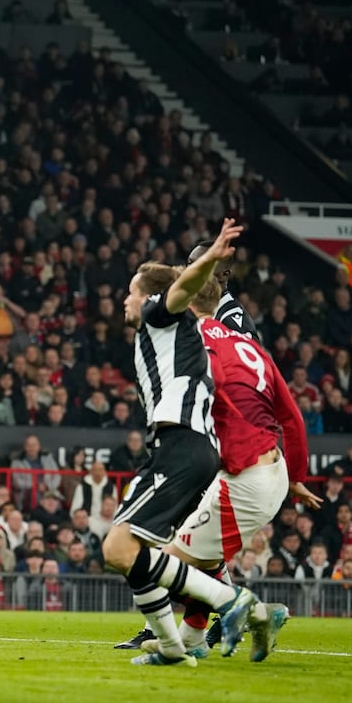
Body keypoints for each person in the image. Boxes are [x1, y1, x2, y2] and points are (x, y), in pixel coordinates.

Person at [127, 265, 315, 663]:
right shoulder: (250, 346)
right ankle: (192, 640)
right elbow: (293, 420)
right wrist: (296, 477)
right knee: (206, 559)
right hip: (271, 469)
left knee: (160, 566)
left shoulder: (194, 345)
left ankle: (260, 614)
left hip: (245, 476)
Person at [109, 221, 275, 667]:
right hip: (178, 447)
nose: (124, 300)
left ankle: (231, 602)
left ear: (148, 298)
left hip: (184, 445)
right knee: (132, 552)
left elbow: (181, 291)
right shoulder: (173, 335)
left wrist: (211, 258)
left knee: (125, 549)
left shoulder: (163, 315)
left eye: (130, 292)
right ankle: (173, 647)